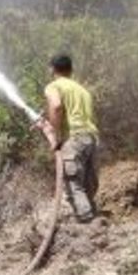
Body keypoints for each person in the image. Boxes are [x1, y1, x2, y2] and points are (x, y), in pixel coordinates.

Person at [36, 54, 99, 222]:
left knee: (73, 184)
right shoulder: (82, 90)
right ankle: (95, 219)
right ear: (71, 70)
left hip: (74, 138)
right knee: (87, 184)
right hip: (91, 138)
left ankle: (87, 224)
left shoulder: (53, 86)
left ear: (52, 69)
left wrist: (55, 135)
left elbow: (56, 106)